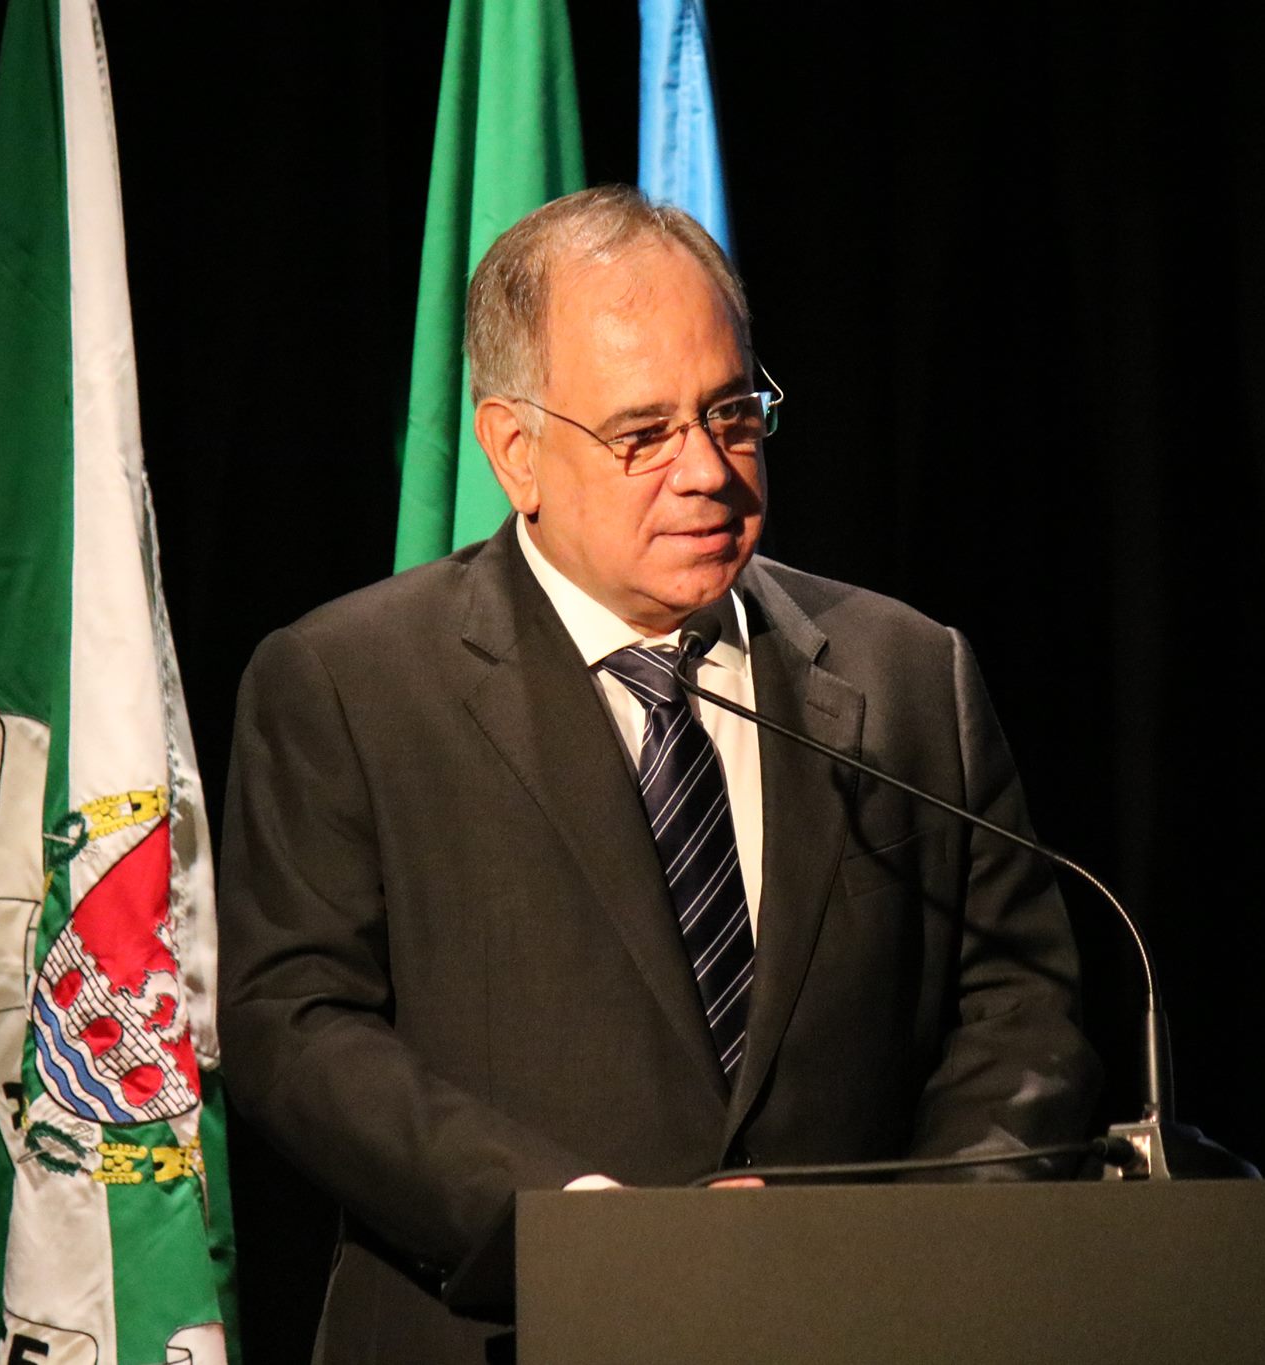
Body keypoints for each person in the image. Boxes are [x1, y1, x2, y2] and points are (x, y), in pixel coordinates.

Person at [218, 185, 1101, 1363]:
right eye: (642, 435)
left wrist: (904, 1247)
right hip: (509, 1327)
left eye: (730, 414)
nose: (706, 472)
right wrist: (573, 1231)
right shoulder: (349, 684)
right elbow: (294, 1028)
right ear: (514, 451)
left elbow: (1020, 1011)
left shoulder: (905, 675)